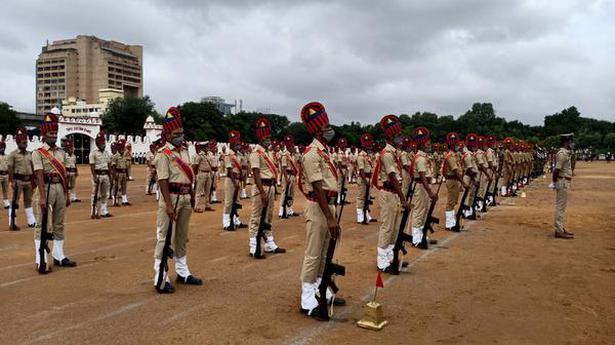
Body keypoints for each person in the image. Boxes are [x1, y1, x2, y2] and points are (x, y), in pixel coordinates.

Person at [298, 101, 346, 319]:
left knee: (326, 252)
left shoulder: (324, 151)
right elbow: (317, 187)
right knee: (314, 252)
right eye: (326, 127)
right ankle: (307, 298)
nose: (330, 130)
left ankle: (321, 289)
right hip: (319, 207)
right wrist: (329, 217)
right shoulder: (311, 154)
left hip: (328, 206)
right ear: (317, 130)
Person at [152, 107, 202, 294]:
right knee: (163, 238)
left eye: (182, 132)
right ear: (167, 134)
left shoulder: (185, 151)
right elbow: (163, 180)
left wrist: (191, 195)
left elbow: (189, 176)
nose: (181, 136)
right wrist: (169, 205)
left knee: (182, 236)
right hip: (170, 198)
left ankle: (182, 271)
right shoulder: (163, 153)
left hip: (185, 197)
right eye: (176, 133)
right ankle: (160, 277)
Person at [32, 112, 77, 272]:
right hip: (45, 187)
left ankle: (59, 256)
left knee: (59, 223)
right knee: (41, 224)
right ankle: (41, 259)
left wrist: (67, 194)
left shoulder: (61, 153)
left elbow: (64, 175)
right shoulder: (37, 153)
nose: (54, 136)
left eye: (55, 133)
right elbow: (38, 176)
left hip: (59, 188)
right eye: (51, 133)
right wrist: (42, 198)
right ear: (44, 134)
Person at [373, 115, 409, 272]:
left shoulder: (394, 153)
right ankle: (382, 261)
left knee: (394, 227)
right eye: (398, 135)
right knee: (387, 227)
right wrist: (403, 198)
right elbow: (392, 177)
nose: (401, 138)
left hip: (393, 194)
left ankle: (390, 257)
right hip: (389, 193)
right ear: (390, 137)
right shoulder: (387, 154)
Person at [247, 117, 286, 258]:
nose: (268, 140)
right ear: (260, 138)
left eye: (269, 137)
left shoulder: (268, 153)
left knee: (268, 217)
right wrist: (262, 192)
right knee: (256, 217)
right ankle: (254, 246)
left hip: (270, 186)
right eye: (266, 137)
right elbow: (256, 174)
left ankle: (269, 243)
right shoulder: (255, 153)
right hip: (261, 187)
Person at [410, 127, 439, 248]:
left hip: (425, 185)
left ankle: (421, 235)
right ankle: (416, 239)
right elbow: (422, 177)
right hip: (421, 186)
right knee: (419, 211)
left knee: (424, 211)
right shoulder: (420, 158)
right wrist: (430, 192)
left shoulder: (424, 156)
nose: (429, 144)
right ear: (422, 143)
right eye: (427, 142)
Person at [8, 127, 36, 229]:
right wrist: (11, 181)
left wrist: (34, 180)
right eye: (24, 142)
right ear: (18, 143)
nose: (26, 144)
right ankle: (12, 222)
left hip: (28, 180)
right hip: (18, 180)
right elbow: (10, 168)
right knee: (15, 201)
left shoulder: (30, 154)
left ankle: (31, 221)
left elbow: (33, 167)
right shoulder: (13, 155)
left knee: (28, 200)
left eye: (26, 142)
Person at [551, 133, 575, 239]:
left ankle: (560, 227)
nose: (571, 143)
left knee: (562, 207)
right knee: (560, 207)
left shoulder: (567, 153)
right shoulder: (562, 153)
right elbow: (556, 169)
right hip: (562, 181)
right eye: (570, 141)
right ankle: (558, 230)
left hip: (565, 181)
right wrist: (554, 182)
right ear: (566, 142)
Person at [443, 132, 468, 230]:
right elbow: (456, 171)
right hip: (452, 180)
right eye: (456, 144)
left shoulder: (454, 155)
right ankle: (449, 224)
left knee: (453, 202)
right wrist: (463, 183)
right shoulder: (451, 156)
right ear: (452, 145)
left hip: (454, 181)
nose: (458, 146)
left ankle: (452, 222)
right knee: (451, 202)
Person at [223, 130, 245, 230]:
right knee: (228, 202)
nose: (238, 146)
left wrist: (240, 180)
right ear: (232, 144)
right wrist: (234, 182)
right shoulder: (228, 154)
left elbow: (242, 167)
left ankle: (236, 220)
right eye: (237, 144)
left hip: (237, 180)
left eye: (239, 144)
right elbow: (229, 169)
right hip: (230, 180)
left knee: (236, 201)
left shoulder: (239, 155)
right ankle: (227, 222)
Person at [89, 132, 113, 218]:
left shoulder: (107, 153)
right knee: (95, 194)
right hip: (97, 175)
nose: (103, 144)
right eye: (101, 143)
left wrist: (110, 176)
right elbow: (92, 166)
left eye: (104, 142)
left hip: (105, 175)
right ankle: (94, 212)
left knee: (104, 194)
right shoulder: (93, 153)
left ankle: (104, 211)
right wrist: (94, 177)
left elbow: (109, 165)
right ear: (97, 143)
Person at [356, 132, 375, 224]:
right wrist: (365, 180)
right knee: (361, 197)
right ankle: (360, 216)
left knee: (367, 198)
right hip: (363, 178)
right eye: (366, 143)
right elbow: (361, 170)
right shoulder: (361, 156)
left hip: (368, 178)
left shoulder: (367, 155)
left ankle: (366, 214)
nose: (368, 145)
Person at [280, 134, 299, 218]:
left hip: (292, 175)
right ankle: (281, 210)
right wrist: (286, 178)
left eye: (291, 143)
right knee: (285, 193)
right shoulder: (285, 155)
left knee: (291, 194)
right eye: (289, 144)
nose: (291, 145)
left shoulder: (293, 155)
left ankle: (290, 210)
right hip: (287, 175)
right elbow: (283, 167)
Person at [192, 142, 214, 212]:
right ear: (203, 147)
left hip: (208, 173)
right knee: (198, 191)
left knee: (207, 191)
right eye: (206, 147)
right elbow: (195, 166)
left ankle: (207, 205)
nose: (208, 148)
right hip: (201, 173)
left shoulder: (208, 154)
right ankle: (196, 206)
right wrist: (195, 175)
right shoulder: (200, 155)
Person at [111, 139, 131, 206]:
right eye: (121, 149)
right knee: (116, 187)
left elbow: (127, 166)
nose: (122, 150)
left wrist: (127, 175)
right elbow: (113, 166)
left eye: (123, 148)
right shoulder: (115, 156)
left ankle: (124, 200)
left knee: (124, 187)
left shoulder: (125, 156)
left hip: (124, 172)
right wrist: (114, 175)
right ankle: (115, 200)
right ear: (118, 149)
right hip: (118, 172)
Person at [0, 140, 10, 209]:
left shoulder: (7, 156)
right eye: (1, 147)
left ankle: (6, 203)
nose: (2, 149)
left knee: (5, 190)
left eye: (3, 147)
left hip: (6, 175)